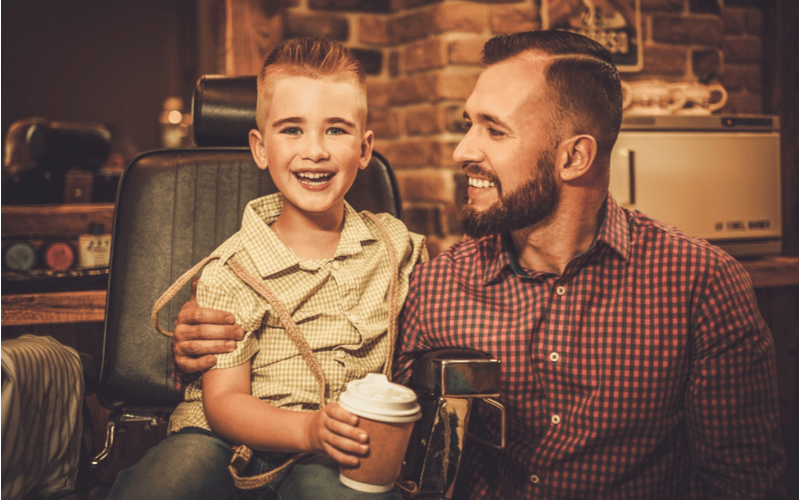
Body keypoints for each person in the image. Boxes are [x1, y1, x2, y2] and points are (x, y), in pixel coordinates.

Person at [172, 31, 786, 499]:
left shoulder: (701, 285)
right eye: (469, 125)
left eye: (493, 131)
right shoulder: (437, 283)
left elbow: (741, 482)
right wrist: (198, 346)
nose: (464, 150)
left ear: (573, 157)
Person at [108, 37, 426, 500]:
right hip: (222, 439)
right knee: (169, 481)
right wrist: (308, 429)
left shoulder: (394, 246)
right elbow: (225, 405)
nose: (314, 150)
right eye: (292, 129)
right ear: (260, 147)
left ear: (364, 147)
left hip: (336, 449)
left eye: (336, 130)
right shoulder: (231, 270)